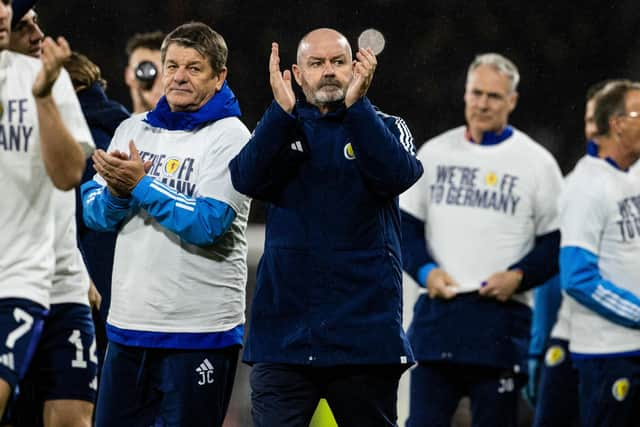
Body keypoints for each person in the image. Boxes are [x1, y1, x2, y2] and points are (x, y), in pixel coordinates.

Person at [230, 28, 423, 427]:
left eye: (338, 62)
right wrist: (279, 115)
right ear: (297, 75)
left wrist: (359, 108)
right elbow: (244, 179)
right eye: (316, 64)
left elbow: (398, 174)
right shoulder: (281, 129)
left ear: (356, 68)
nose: (329, 72)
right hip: (284, 338)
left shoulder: (386, 125)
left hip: (364, 339)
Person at [81, 22, 251, 427]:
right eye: (171, 65)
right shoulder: (133, 128)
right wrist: (116, 194)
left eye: (194, 67)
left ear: (219, 76)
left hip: (199, 333)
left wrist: (140, 185)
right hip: (127, 330)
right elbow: (94, 213)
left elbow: (207, 224)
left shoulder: (231, 137)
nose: (177, 76)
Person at [400, 53, 563, 427]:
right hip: (438, 318)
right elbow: (406, 229)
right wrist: (425, 271)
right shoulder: (435, 153)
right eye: (476, 93)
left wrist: (519, 276)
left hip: (501, 323)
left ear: (512, 101)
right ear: (465, 94)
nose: (482, 104)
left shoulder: (537, 164)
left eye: (493, 96)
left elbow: (555, 244)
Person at [0, 0, 92, 420]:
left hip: (50, 281)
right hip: (19, 275)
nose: (37, 35)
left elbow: (69, 175)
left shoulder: (47, 81)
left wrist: (42, 98)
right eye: (24, 25)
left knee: (73, 416)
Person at [559, 79, 640, 427]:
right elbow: (577, 278)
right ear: (618, 123)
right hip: (609, 355)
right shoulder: (587, 186)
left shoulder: (629, 179)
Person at [529, 81, 610, 427]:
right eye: (592, 118)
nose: (596, 128)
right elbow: (555, 274)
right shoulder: (574, 185)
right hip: (571, 337)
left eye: (605, 118)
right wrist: (538, 345)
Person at [65, 50, 130, 365]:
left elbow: (70, 219)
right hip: (127, 293)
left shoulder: (74, 138)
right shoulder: (124, 128)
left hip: (85, 289)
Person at [124, 31, 165, 114]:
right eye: (146, 71)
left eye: (167, 72)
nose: (161, 82)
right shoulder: (112, 126)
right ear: (128, 75)